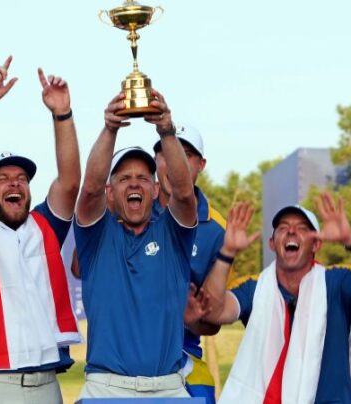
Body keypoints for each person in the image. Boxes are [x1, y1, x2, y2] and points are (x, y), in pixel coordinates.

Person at [0, 57, 81, 404]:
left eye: (22, 179)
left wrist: (62, 114)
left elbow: (70, 183)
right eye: (3, 179)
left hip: (46, 382)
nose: (16, 184)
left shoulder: (44, 225)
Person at [74, 91, 197, 398]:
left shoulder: (172, 235)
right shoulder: (96, 237)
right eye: (123, 178)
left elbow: (183, 194)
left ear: (155, 190)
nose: (133, 183)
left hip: (169, 388)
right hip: (107, 389)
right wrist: (110, 128)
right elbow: (88, 190)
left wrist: (166, 130)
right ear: (110, 192)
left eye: (143, 178)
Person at [203, 192, 351, 403]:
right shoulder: (255, 288)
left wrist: (349, 240)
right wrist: (227, 252)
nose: (291, 231)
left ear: (316, 244)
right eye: (283, 227)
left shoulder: (336, 283)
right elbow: (214, 311)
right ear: (272, 243)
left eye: (302, 228)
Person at [153, 124, 226, 403]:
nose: (174, 163)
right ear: (155, 161)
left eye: (184, 154)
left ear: (201, 164)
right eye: (165, 153)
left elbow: (213, 319)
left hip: (184, 356)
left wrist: (193, 319)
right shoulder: (131, 211)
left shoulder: (218, 229)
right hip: (123, 361)